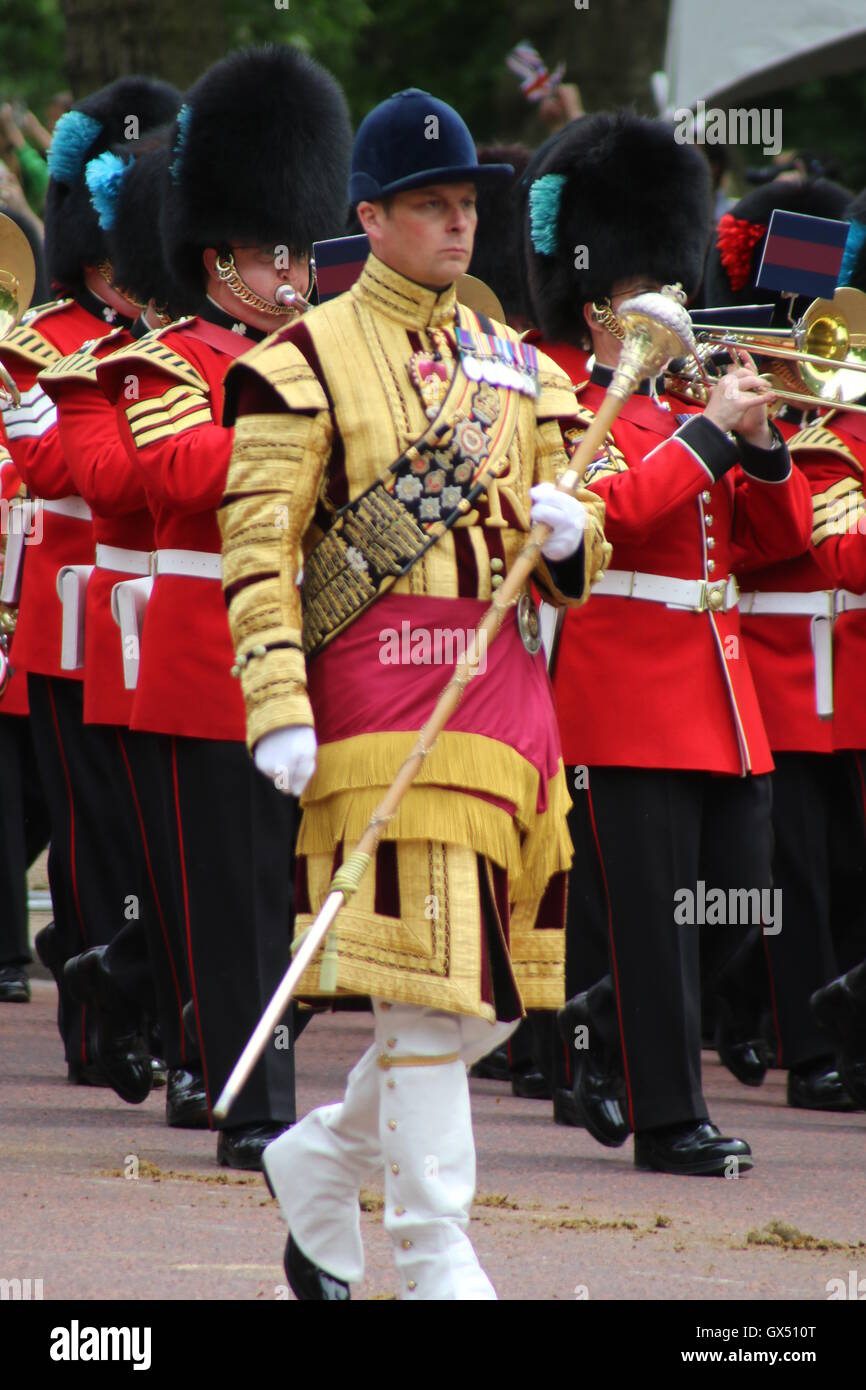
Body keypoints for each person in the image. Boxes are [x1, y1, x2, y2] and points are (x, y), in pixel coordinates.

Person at [218, 86, 610, 1298]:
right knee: (430, 995)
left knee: (489, 995)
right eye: (430, 207)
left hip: (503, 705)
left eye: (467, 208)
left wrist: (564, 537)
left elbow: (570, 557)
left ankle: (319, 1160)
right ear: (370, 219)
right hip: (380, 697)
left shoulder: (512, 365)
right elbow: (259, 546)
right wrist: (275, 699)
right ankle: (435, 1250)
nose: (456, 227)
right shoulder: (303, 359)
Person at [521, 111, 813, 1173]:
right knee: (651, 920)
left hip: (717, 690)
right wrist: (701, 434)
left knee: (736, 899)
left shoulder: (693, 406)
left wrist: (761, 438)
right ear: (599, 310)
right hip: (621, 681)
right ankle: (667, 1119)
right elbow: (610, 513)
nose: (676, 314)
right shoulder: (569, 404)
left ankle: (591, 1025)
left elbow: (775, 546)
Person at [96, 45, 353, 1169]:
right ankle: (249, 1100)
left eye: (301, 248)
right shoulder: (169, 361)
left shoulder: (317, 357)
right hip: (205, 654)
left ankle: (216, 1055)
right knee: (230, 893)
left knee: (284, 890)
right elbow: (172, 476)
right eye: (274, 253)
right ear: (220, 260)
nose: (295, 271)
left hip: (305, 649)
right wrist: (295, 432)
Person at [0, 77, 181, 1082]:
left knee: (161, 828)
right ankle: (96, 1020)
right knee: (92, 832)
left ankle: (157, 1003)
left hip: (178, 614)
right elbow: (67, 477)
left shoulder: (179, 333)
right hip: (77, 613)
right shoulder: (40, 348)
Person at [40, 137, 208, 1121]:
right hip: (131, 627)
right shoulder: (97, 367)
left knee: (225, 860)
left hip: (230, 629)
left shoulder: (243, 359)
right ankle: (157, 1027)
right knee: (132, 847)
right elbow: (99, 480)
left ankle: (137, 983)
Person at [703, 175, 864, 1110]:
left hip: (841, 676)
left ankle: (821, 1025)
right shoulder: (746, 407)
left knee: (841, 866)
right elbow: (781, 542)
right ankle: (805, 1047)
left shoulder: (833, 414)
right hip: (767, 664)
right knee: (788, 873)